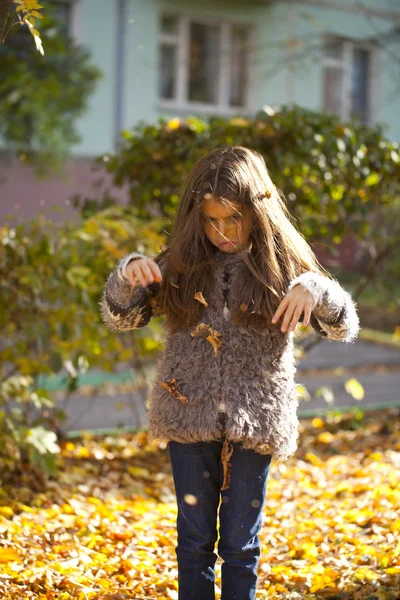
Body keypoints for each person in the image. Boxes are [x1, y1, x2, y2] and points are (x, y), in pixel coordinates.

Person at [100, 146, 360, 600]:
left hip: (255, 421)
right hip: (187, 414)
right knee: (194, 542)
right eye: (211, 220)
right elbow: (123, 317)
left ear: (257, 213)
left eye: (233, 219)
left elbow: (342, 327)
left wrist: (316, 288)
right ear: (195, 217)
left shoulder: (283, 270)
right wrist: (127, 275)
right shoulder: (178, 267)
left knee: (241, 544)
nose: (222, 231)